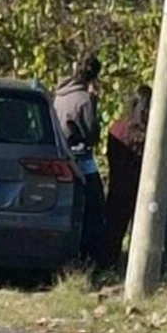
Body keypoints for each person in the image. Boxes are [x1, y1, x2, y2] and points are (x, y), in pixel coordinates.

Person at [53, 53, 108, 270]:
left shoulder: (59, 95)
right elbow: (92, 133)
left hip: (61, 154)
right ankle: (90, 258)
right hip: (81, 157)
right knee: (95, 206)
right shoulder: (84, 100)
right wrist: (94, 101)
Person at [102, 85, 151, 270]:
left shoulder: (117, 129)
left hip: (118, 186)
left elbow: (111, 157)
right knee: (142, 235)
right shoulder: (150, 134)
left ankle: (108, 267)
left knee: (113, 233)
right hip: (142, 190)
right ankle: (138, 269)